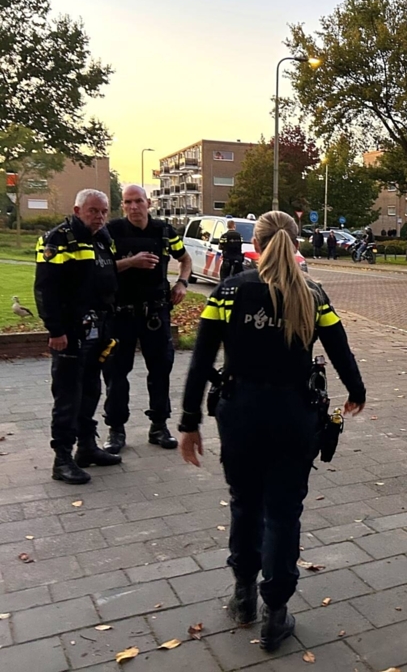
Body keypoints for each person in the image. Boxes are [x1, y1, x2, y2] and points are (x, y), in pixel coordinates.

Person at [177, 211, 365, 650]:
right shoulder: (312, 295)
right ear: (296, 244)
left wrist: (189, 422)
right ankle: (275, 613)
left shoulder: (229, 291)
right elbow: (342, 351)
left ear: (255, 245)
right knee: (283, 513)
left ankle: (243, 597)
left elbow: (202, 359)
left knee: (245, 504)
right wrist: (356, 392)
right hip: (294, 417)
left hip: (240, 415)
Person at [34, 189, 122, 484]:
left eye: (103, 211)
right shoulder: (57, 239)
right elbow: (46, 289)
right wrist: (56, 330)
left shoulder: (103, 238)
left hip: (98, 327)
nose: (99, 216)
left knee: (91, 390)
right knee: (68, 395)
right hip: (70, 332)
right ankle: (62, 459)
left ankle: (87, 447)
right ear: (77, 209)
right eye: (93, 211)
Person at [102, 185, 193, 453]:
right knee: (116, 373)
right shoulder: (112, 232)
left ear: (148, 203)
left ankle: (159, 426)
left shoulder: (164, 231)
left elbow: (185, 259)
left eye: (138, 201)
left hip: (155, 312)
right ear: (123, 206)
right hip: (122, 314)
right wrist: (131, 262)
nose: (133, 207)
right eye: (128, 202)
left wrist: (182, 284)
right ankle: (116, 429)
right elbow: (102, 266)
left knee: (160, 370)